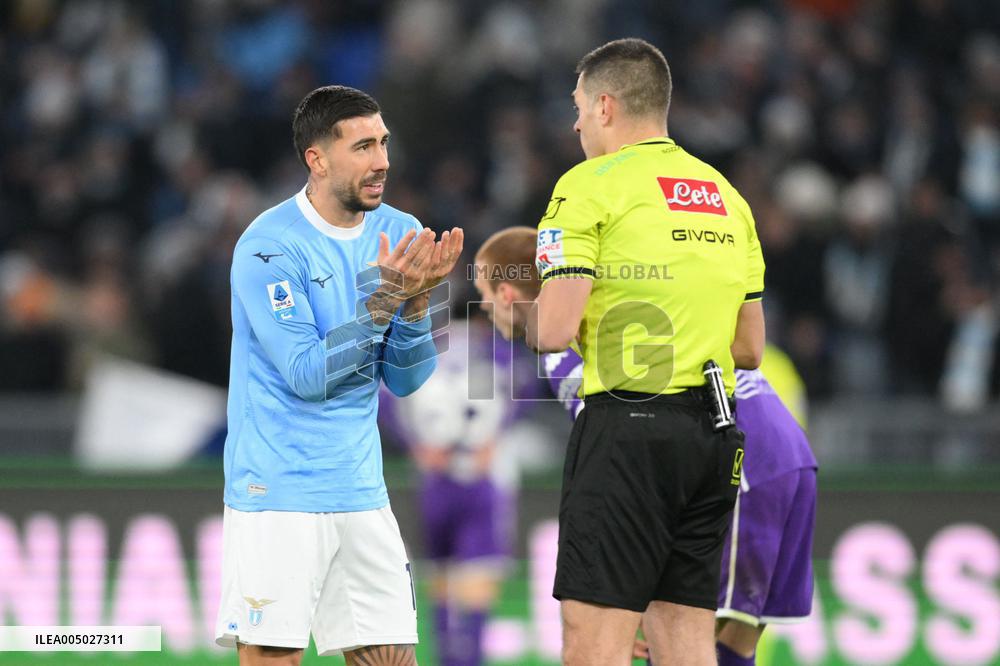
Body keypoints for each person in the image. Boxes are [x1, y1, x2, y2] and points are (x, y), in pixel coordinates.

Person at [525, 36, 766, 665]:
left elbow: (553, 331)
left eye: (578, 106)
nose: (574, 121)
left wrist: (518, 309)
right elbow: (750, 347)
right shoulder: (724, 195)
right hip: (713, 440)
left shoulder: (587, 186)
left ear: (605, 106)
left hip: (627, 433)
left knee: (594, 639)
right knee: (683, 635)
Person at [473, 229, 816, 666]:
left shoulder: (562, 345)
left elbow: (623, 449)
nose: (485, 311)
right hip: (787, 453)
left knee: (674, 634)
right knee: (731, 638)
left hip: (736, 462)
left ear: (505, 294)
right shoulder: (617, 296)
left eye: (484, 297)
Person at [214, 84, 463, 666]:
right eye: (363, 146)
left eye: (383, 143)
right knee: (276, 656)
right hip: (277, 492)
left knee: (391, 658)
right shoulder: (269, 247)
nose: (382, 160)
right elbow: (305, 374)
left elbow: (405, 381)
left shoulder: (401, 229)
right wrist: (386, 299)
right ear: (317, 159)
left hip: (360, 489)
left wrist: (420, 302)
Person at [378, 319, 523, 666]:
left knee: (440, 578)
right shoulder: (497, 351)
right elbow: (525, 386)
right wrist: (498, 433)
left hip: (435, 477)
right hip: (482, 478)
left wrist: (413, 443)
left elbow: (383, 396)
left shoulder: (415, 345)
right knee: (474, 580)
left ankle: (449, 659)